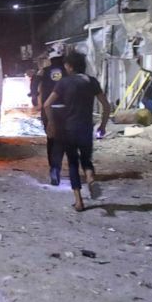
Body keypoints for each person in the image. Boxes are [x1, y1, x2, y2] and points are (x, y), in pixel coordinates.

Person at [43, 52, 110, 212]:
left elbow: (46, 104)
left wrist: (51, 123)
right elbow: (106, 106)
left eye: (66, 65)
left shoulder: (64, 83)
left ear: (70, 66)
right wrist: (103, 125)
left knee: (73, 163)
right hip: (86, 127)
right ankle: (90, 177)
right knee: (86, 160)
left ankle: (79, 202)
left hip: (68, 129)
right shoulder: (91, 81)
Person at [33, 50, 66, 185]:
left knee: (51, 139)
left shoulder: (44, 71)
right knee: (61, 140)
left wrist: (34, 97)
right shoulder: (68, 70)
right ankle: (56, 167)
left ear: (51, 59)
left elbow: (34, 83)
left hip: (48, 109)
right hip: (65, 110)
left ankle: (53, 169)